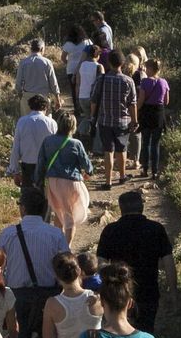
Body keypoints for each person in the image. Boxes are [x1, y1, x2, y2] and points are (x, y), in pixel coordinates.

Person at [0, 187, 70, 338]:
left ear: (23, 208)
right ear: (45, 209)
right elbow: (66, 263)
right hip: (49, 296)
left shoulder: (9, 233)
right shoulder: (55, 234)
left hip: (17, 296)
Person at [96, 191, 176, 334]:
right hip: (148, 291)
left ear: (121, 209)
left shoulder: (110, 230)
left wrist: (103, 289)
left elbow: (101, 263)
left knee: (118, 332)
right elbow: (168, 262)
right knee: (146, 331)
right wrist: (173, 292)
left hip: (118, 292)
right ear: (141, 207)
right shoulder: (155, 229)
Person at [42, 252, 104, 338]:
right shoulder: (97, 299)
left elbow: (48, 337)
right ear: (80, 271)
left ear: (57, 277)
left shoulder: (52, 304)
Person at [36, 113, 93, 241]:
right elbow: (86, 164)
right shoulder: (76, 143)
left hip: (53, 182)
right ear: (73, 126)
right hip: (70, 182)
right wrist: (89, 172)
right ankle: (66, 247)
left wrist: (38, 180)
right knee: (69, 216)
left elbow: (41, 162)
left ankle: (58, 243)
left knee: (58, 213)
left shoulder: (48, 141)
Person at [90, 53, 138, 188]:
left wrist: (93, 117)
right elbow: (132, 104)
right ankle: (122, 176)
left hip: (105, 120)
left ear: (109, 63)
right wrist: (134, 121)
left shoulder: (101, 79)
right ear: (122, 64)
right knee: (122, 150)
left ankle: (108, 181)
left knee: (108, 151)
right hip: (123, 121)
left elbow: (94, 100)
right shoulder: (128, 81)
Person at [8, 95, 58, 187]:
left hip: (28, 166)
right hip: (46, 166)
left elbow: (16, 148)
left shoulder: (22, 121)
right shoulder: (52, 123)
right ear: (45, 107)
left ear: (30, 106)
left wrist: (15, 171)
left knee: (29, 193)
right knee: (45, 193)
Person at [136, 59, 171, 179]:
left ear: (150, 69)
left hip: (147, 114)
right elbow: (166, 101)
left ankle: (145, 169)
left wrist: (135, 111)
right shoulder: (164, 82)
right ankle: (155, 171)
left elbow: (141, 100)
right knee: (156, 144)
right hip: (159, 114)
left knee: (146, 142)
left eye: (147, 68)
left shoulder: (145, 82)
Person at [14, 38, 62, 116]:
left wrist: (21, 95)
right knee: (46, 121)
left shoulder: (23, 62)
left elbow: (18, 84)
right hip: (43, 97)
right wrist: (57, 99)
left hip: (27, 97)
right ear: (42, 49)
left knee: (27, 121)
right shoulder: (47, 62)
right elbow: (53, 83)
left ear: (31, 49)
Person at [75, 44, 104, 143]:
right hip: (93, 98)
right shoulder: (99, 66)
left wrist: (77, 96)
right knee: (95, 119)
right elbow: (101, 83)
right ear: (97, 55)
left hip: (82, 97)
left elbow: (78, 82)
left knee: (87, 117)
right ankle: (92, 140)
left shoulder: (82, 65)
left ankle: (81, 134)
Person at [60, 26, 92, 116]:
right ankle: (84, 109)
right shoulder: (87, 42)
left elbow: (63, 58)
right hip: (84, 68)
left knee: (74, 89)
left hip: (71, 69)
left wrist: (68, 63)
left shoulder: (68, 44)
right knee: (84, 88)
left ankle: (76, 109)